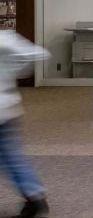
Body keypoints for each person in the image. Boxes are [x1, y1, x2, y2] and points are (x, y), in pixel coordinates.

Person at [0, 30, 50, 217]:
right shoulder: (6, 38)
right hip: (9, 106)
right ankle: (35, 195)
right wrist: (17, 70)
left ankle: (34, 196)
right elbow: (40, 53)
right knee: (12, 155)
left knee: (10, 156)